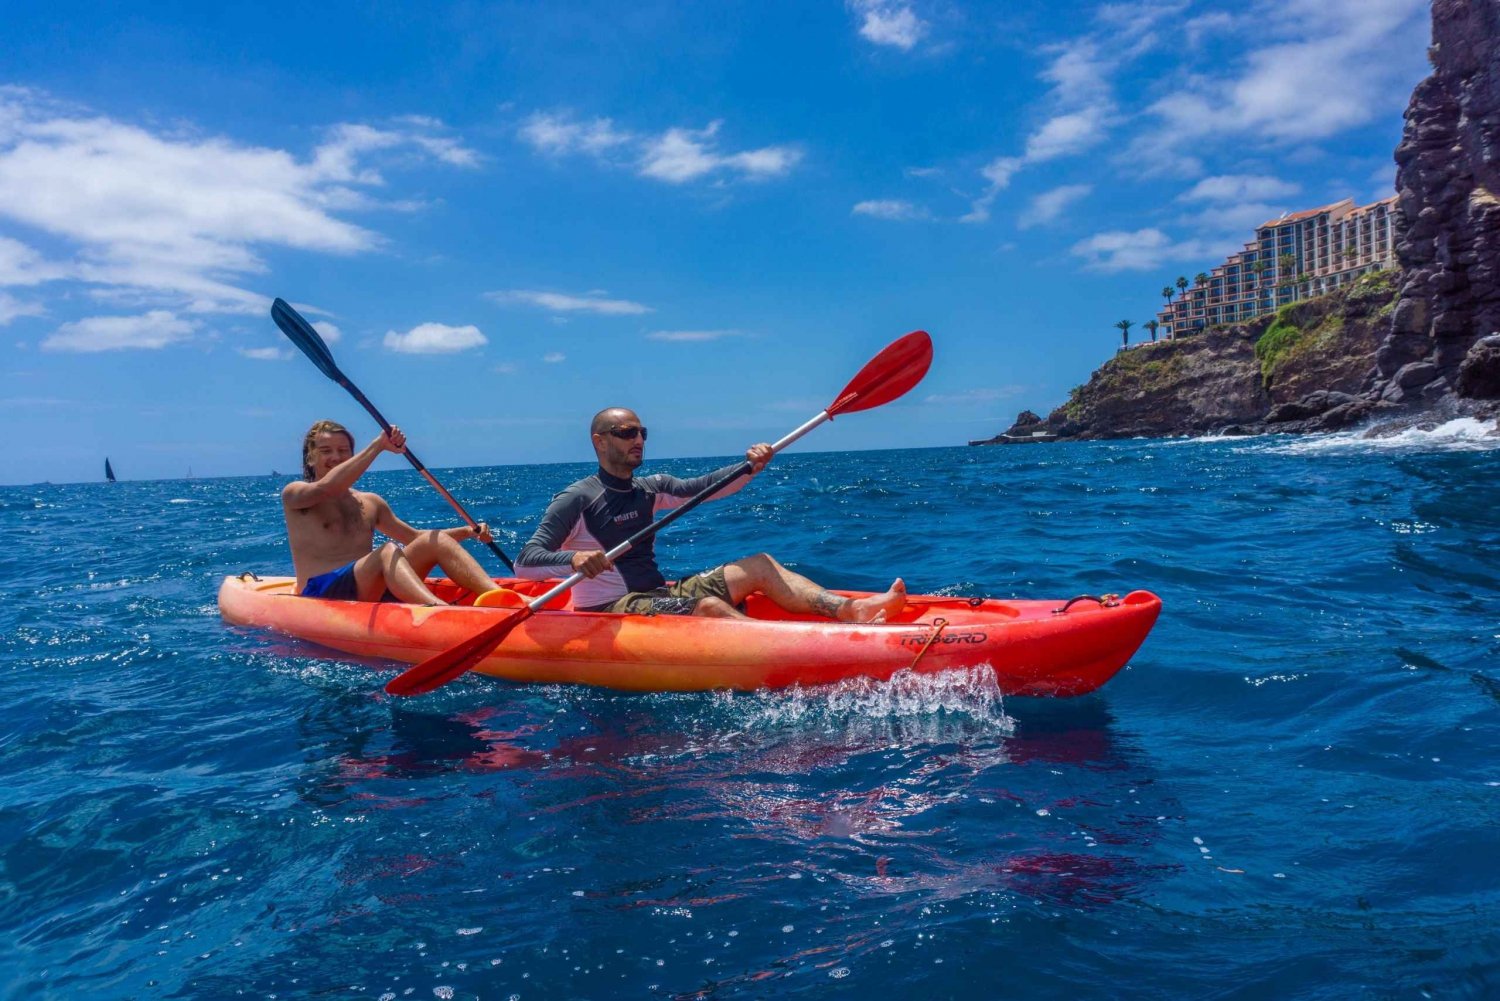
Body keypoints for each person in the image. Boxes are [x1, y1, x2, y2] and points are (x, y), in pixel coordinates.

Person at [515, 407, 905, 621]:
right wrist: (575, 560)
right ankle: (790, 652)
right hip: (608, 609)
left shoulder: (649, 488)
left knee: (760, 565)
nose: (638, 440)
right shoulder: (577, 498)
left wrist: (752, 465)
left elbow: (705, 488)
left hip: (655, 594)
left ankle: (851, 611)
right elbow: (526, 563)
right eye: (626, 432)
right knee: (710, 609)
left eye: (641, 432)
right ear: (599, 441)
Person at [283, 419, 497, 605]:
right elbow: (328, 488)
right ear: (310, 458)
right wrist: (379, 445)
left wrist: (468, 532)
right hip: (320, 592)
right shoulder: (295, 494)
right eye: (326, 451)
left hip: (367, 589)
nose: (336, 457)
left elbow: (413, 538)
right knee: (387, 551)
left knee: (435, 539)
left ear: (352, 455)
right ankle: (440, 609)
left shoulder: (370, 502)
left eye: (343, 450)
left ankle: (499, 596)